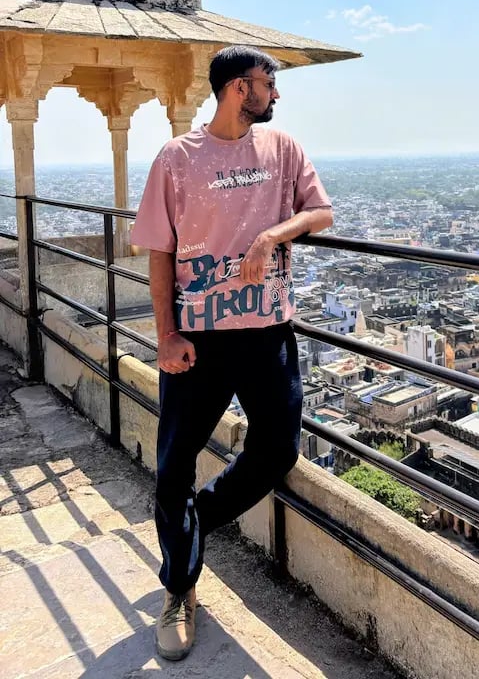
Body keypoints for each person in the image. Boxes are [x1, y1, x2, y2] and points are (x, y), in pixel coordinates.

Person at [130, 44, 333, 661]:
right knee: (173, 465)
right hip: (199, 338)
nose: (276, 94)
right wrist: (166, 334)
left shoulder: (285, 150)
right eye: (269, 82)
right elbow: (159, 251)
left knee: (277, 447)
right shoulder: (177, 158)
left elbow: (321, 212)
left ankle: (195, 524)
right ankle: (179, 587)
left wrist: (273, 232)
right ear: (239, 88)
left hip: (268, 330)